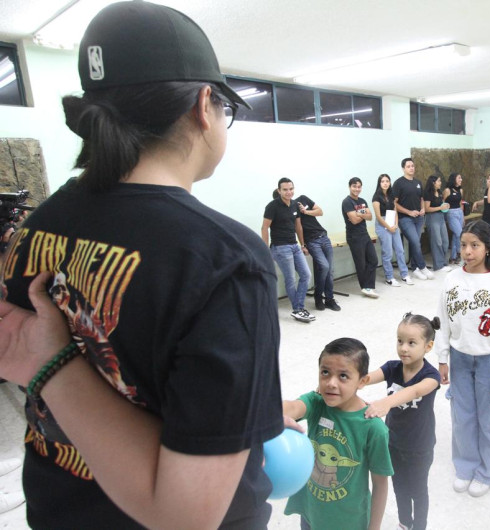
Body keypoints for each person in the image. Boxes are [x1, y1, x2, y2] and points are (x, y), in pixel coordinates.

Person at [0, 2, 284, 527]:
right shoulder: (225, 261)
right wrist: (57, 364)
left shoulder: (34, 228)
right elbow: (183, 518)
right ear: (205, 105)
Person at [436, 220, 490, 497]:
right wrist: (443, 358)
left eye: (474, 245)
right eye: (463, 245)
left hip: (489, 362)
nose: (467, 251)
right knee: (462, 416)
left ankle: (488, 472)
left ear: (487, 247)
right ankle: (466, 466)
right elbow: (444, 321)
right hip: (459, 358)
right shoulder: (452, 279)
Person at [283, 338, 393, 530]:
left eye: (343, 376)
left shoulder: (373, 429)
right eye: (325, 372)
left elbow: (380, 484)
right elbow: (292, 407)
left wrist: (374, 527)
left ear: (362, 381)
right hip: (311, 514)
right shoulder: (317, 403)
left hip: (349, 522)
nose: (331, 383)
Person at [364, 313, 441, 530]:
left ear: (428, 346)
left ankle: (420, 526)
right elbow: (367, 378)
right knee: (399, 488)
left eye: (411, 343)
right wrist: (348, 381)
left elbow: (415, 391)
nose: (403, 348)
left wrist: (386, 402)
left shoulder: (431, 376)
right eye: (400, 341)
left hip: (419, 447)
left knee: (418, 490)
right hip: (393, 443)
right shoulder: (392, 367)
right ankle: (405, 523)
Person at [263, 178, 315, 322]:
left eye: (291, 189)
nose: (288, 192)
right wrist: (265, 250)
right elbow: (264, 227)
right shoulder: (272, 206)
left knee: (306, 275)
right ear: (279, 191)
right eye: (285, 189)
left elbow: (298, 226)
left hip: (294, 246)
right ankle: (298, 309)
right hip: (280, 247)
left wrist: (303, 245)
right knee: (291, 278)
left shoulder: (294, 205)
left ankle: (298, 307)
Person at [296, 194, 341, 311]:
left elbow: (320, 212)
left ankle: (329, 299)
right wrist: (303, 245)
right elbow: (298, 228)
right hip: (311, 241)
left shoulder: (302, 199)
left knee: (329, 270)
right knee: (324, 267)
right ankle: (318, 296)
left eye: (289, 189)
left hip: (323, 237)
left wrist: (306, 211)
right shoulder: (290, 209)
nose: (287, 193)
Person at [393, 158, 434, 281]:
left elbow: (421, 198)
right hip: (405, 219)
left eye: (412, 166)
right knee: (415, 242)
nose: (411, 168)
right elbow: (394, 203)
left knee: (415, 243)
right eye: (408, 166)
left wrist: (422, 209)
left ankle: (415, 268)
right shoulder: (398, 183)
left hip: (418, 218)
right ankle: (422, 267)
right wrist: (409, 212)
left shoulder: (418, 182)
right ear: (403, 168)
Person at [372, 174, 412, 287]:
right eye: (383, 181)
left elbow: (395, 211)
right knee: (388, 252)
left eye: (387, 181)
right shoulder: (376, 198)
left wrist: (395, 224)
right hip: (382, 224)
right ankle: (389, 278)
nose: (385, 183)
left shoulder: (391, 195)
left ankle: (404, 275)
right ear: (379, 183)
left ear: (390, 183)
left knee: (400, 250)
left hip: (392, 223)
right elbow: (379, 217)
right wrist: (389, 227)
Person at [342, 177, 379, 298]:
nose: (357, 189)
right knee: (361, 263)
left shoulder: (362, 201)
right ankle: (366, 287)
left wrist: (358, 213)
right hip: (354, 236)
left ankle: (368, 286)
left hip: (364, 234)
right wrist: (363, 214)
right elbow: (353, 220)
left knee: (373, 260)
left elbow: (370, 216)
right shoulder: (347, 202)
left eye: (359, 187)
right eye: (354, 186)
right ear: (349, 187)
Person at [423, 175, 451, 273]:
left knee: (445, 241)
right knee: (437, 241)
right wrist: (440, 208)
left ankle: (443, 262)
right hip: (432, 218)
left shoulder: (439, 192)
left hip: (441, 218)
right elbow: (427, 209)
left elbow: (440, 204)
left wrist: (445, 205)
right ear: (433, 182)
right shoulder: (427, 193)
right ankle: (438, 265)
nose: (440, 183)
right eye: (439, 181)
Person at [443, 173, 465, 265]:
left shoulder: (461, 190)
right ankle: (459, 253)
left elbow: (461, 203)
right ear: (454, 179)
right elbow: (442, 203)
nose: (461, 179)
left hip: (459, 212)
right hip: (451, 213)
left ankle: (453, 257)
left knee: (456, 235)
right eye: (459, 178)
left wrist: (463, 216)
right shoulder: (447, 190)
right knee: (459, 233)